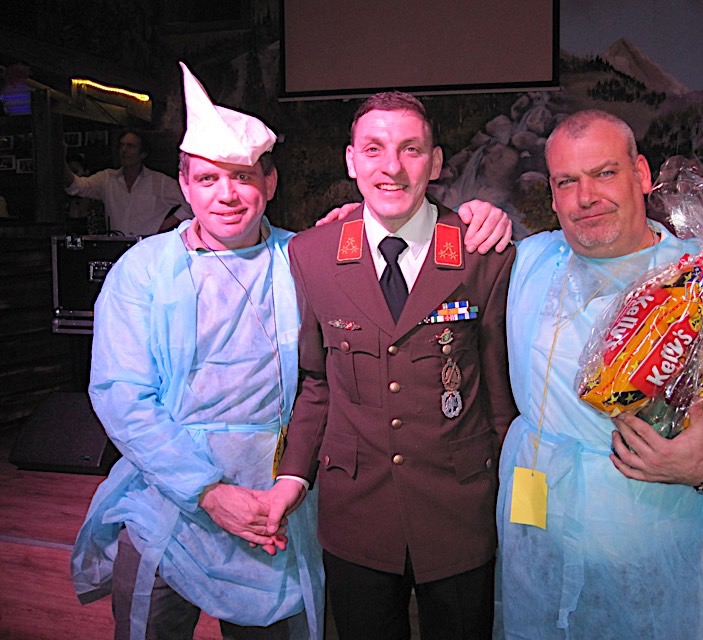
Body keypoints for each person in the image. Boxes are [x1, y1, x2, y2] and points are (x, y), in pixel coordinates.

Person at [70, 65, 511, 640]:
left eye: (243, 177)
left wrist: (476, 213)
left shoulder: (298, 256)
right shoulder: (145, 271)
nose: (226, 195)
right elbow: (122, 397)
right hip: (170, 501)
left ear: (271, 183)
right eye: (207, 179)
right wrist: (206, 490)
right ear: (183, 184)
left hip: (276, 506)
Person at [494, 109, 703, 639]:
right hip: (539, 552)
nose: (585, 197)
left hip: (665, 570)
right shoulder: (530, 261)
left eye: (604, 173)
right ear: (552, 196)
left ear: (641, 174)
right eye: (566, 181)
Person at [268, 91, 517, 640]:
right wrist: (292, 476)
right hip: (357, 511)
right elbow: (317, 383)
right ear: (351, 160)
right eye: (374, 149)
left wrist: (513, 497)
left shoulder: (482, 250)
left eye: (411, 149)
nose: (392, 167)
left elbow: (499, 394)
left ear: (436, 161)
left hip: (458, 510)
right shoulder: (311, 255)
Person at [63, 129, 193, 236]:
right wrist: (60, 159)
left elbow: (190, 202)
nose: (124, 150)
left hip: (147, 249)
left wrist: (164, 225)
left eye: (130, 146)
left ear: (143, 154)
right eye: (121, 145)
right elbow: (77, 186)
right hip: (118, 248)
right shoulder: (107, 179)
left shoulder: (160, 182)